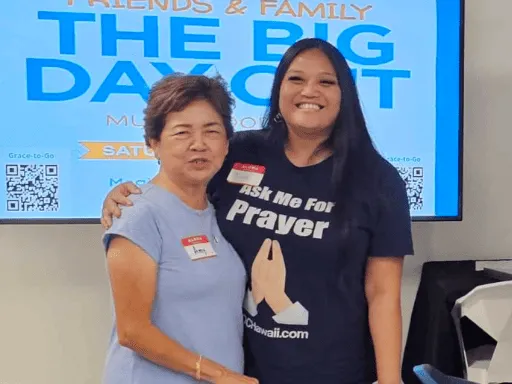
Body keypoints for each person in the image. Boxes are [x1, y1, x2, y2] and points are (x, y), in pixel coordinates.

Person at [101, 38, 414, 384]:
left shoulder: (377, 180)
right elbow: (180, 183)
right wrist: (124, 194)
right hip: (246, 368)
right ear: (279, 88)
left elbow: (382, 292)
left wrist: (390, 379)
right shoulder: (240, 152)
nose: (310, 91)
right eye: (295, 79)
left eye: (326, 81)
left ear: (345, 94)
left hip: (331, 369)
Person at [101, 73, 259, 384]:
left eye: (211, 131)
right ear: (153, 143)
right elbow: (133, 331)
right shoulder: (137, 213)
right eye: (181, 132)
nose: (198, 144)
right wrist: (220, 374)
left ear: (227, 143)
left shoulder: (219, 210)